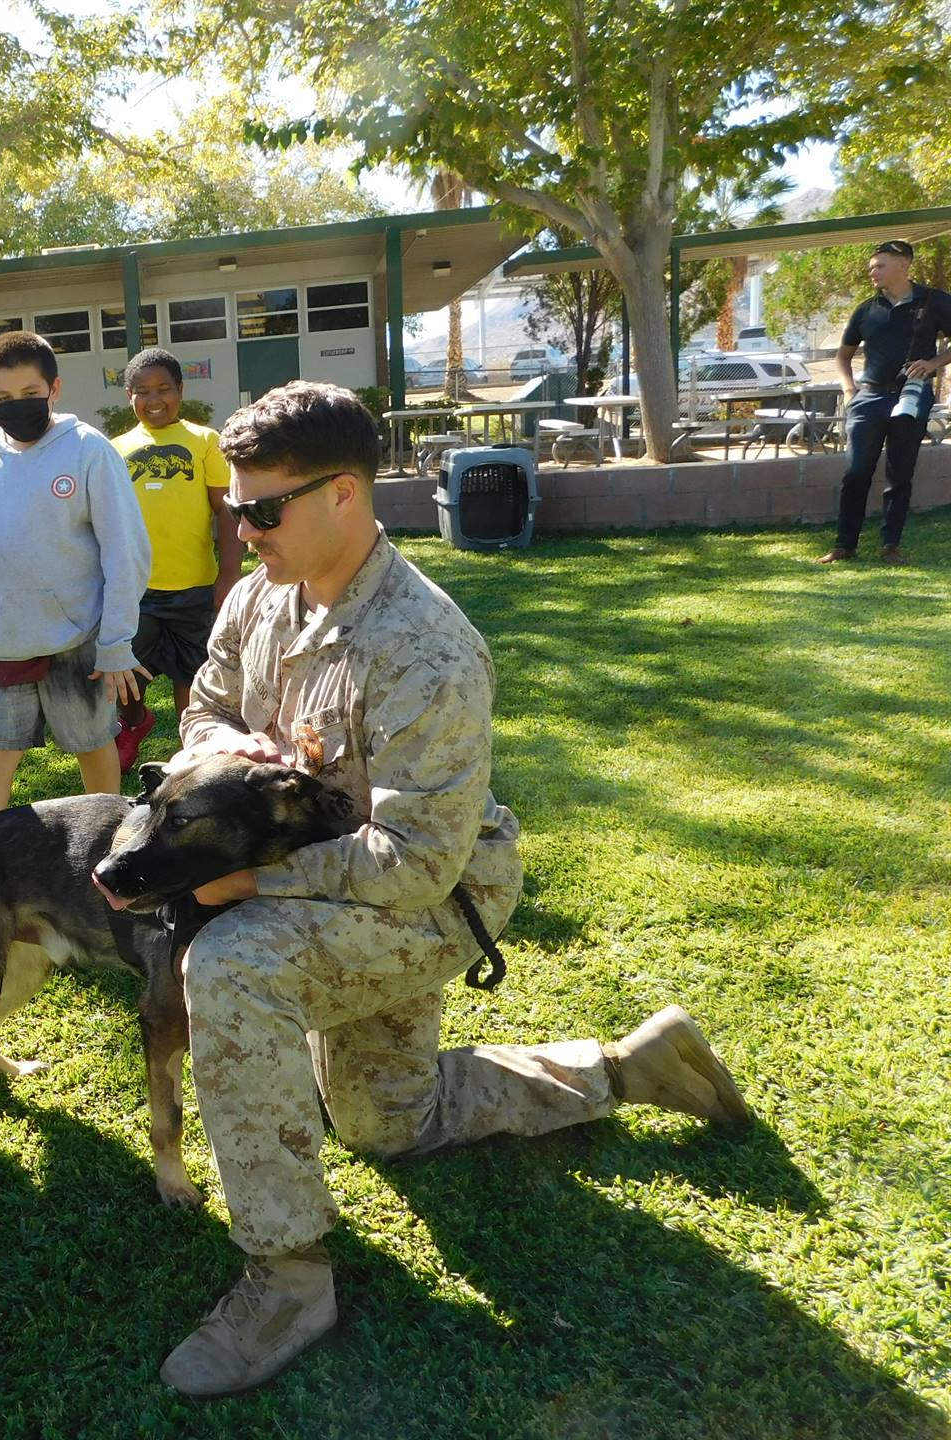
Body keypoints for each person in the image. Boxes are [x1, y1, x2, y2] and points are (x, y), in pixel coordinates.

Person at [157, 381, 749, 1398]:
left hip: (429, 903)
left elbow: (416, 864)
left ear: (345, 495)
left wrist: (253, 879)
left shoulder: (426, 647)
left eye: (263, 509)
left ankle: (290, 1277)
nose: (242, 528)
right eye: (234, 509)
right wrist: (228, 751)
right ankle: (624, 1068)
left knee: (232, 964)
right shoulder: (263, 594)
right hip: (344, 882)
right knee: (389, 1120)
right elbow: (203, 707)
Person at [0, 330, 151, 826]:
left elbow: (127, 553)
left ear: (54, 390)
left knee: (93, 747)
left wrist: (117, 643)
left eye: (31, 395)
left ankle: (109, 848)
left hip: (79, 643)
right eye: (4, 398)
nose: (19, 406)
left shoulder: (89, 451)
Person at [110, 348, 243, 770]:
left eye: (164, 389)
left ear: (180, 391)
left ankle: (189, 752)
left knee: (192, 675)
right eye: (143, 391)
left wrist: (228, 576)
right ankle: (133, 723)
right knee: (128, 677)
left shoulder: (205, 441)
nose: (155, 399)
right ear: (129, 396)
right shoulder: (115, 449)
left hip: (194, 586)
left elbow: (225, 511)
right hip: (136, 589)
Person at [817, 239, 951, 565]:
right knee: (856, 471)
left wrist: (934, 364)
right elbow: (843, 356)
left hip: (912, 396)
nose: (872, 272)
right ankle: (844, 546)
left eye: (879, 265)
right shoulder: (866, 309)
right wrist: (850, 391)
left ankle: (890, 546)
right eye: (871, 267)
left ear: (903, 264)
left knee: (899, 473)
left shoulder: (935, 301)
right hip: (870, 397)